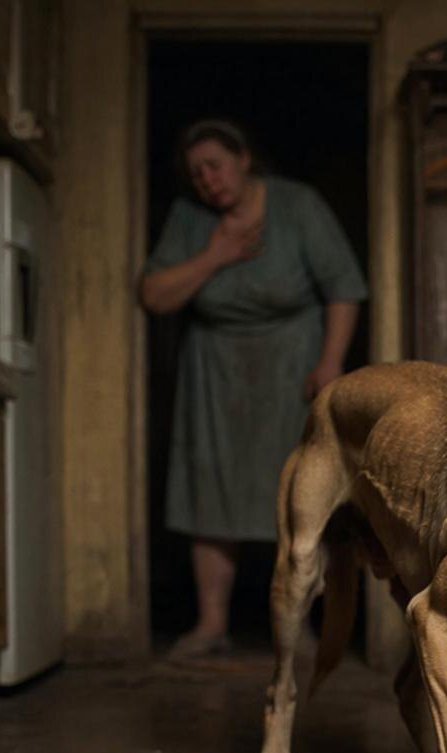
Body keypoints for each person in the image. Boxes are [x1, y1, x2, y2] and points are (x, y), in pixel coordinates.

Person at [140, 118, 367, 659]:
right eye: (196, 174)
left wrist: (330, 362)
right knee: (209, 489)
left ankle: (300, 626)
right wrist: (216, 254)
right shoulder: (190, 220)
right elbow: (154, 294)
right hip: (213, 373)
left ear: (243, 159)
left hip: (292, 368)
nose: (207, 181)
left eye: (215, 165)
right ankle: (212, 622)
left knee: (301, 494)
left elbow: (344, 288)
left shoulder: (299, 205)